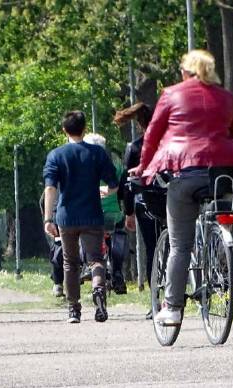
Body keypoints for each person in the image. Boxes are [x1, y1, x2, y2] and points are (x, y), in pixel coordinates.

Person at [129, 50, 233, 325]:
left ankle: (172, 308)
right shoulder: (227, 97)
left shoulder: (171, 94)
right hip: (222, 176)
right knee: (223, 219)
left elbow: (152, 137)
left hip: (186, 175)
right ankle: (221, 256)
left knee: (179, 246)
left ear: (185, 72)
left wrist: (144, 167)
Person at [43, 111, 118, 324]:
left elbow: (50, 189)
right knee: (96, 259)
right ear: (84, 129)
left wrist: (48, 219)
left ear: (64, 130)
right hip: (92, 214)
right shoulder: (97, 153)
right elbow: (114, 183)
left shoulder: (56, 155)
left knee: (70, 263)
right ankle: (98, 289)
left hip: (66, 216)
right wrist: (107, 191)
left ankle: (74, 309)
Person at [114, 103, 159, 311]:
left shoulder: (134, 147)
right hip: (175, 199)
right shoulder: (170, 144)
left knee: (153, 250)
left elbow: (127, 182)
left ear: (140, 124)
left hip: (146, 203)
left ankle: (155, 300)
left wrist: (129, 212)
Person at [82, 133, 128, 294]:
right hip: (113, 212)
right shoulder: (115, 165)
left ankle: (86, 266)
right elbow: (122, 189)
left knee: (83, 232)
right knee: (119, 233)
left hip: (88, 212)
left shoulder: (82, 165)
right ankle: (117, 272)